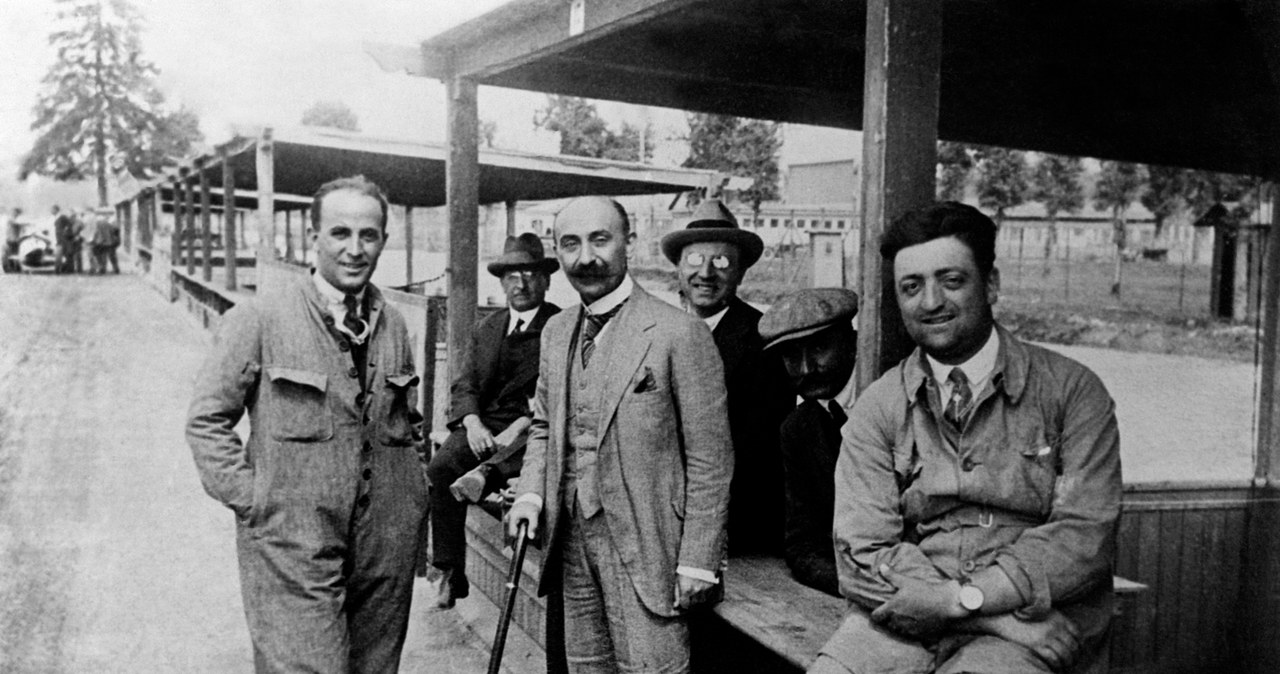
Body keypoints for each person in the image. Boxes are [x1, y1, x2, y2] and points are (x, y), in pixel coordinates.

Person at [811, 202, 1122, 674]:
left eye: (951, 280)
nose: (931, 302)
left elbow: (1084, 539)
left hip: (1036, 623)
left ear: (990, 284)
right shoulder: (877, 408)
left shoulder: (1073, 392)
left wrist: (966, 601)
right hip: (908, 622)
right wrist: (977, 613)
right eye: (911, 287)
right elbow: (861, 555)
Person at [186, 175, 429, 673]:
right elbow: (208, 421)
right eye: (340, 234)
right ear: (314, 238)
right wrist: (256, 501)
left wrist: (415, 492)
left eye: (369, 235)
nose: (355, 249)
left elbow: (409, 421)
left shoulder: (395, 322)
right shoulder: (260, 317)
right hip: (293, 544)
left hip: (386, 546)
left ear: (384, 240)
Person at [507, 196, 734, 673]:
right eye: (571, 243)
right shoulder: (557, 330)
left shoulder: (678, 333)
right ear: (557, 250)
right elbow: (547, 425)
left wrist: (698, 559)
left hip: (649, 546)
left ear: (629, 242)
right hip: (570, 539)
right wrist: (530, 495)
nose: (586, 257)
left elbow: (711, 457)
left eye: (600, 239)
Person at [426, 232, 562, 609]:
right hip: (483, 426)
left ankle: (486, 474)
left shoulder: (560, 327)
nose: (521, 283)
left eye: (531, 274)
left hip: (531, 429)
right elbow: (465, 382)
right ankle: (451, 570)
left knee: (529, 445)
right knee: (440, 469)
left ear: (546, 280)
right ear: (502, 282)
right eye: (512, 275)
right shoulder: (488, 328)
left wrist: (522, 422)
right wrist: (471, 422)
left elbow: (559, 398)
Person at [659, 198, 794, 555]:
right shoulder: (657, 331)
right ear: (677, 268)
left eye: (721, 262)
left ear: (740, 273)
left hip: (733, 532)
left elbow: (756, 459)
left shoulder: (763, 343)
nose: (705, 273)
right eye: (694, 260)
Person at [756, 288, 859, 597]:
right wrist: (851, 585)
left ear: (852, 342)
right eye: (791, 355)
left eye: (819, 348)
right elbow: (803, 542)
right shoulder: (798, 428)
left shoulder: (891, 405)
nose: (805, 369)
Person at [89, 209, 120, 274]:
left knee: (99, 255)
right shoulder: (109, 224)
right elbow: (113, 232)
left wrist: (93, 240)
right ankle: (115, 268)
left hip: (99, 242)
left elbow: (95, 233)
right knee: (109, 256)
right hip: (109, 242)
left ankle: (102, 268)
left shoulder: (97, 224)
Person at [52, 206, 75, 273]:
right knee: (61, 255)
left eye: (52, 210)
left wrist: (65, 232)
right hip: (59, 239)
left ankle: (69, 270)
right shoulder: (57, 217)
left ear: (56, 210)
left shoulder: (62, 217)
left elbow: (69, 224)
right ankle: (61, 269)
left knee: (67, 254)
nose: (51, 211)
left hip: (64, 239)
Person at [4, 208, 25, 272]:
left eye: (18, 213)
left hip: (15, 239)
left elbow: (20, 227)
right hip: (11, 239)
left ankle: (16, 267)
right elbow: (15, 224)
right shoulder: (11, 219)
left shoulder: (16, 220)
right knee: (11, 253)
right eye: (16, 213)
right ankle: (11, 267)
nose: (17, 214)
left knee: (16, 253)